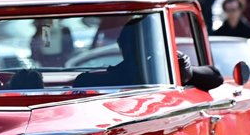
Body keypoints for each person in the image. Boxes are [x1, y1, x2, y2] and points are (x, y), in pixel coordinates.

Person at [74, 19, 222, 91]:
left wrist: (186, 71)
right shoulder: (166, 74)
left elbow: (215, 77)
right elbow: (215, 77)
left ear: (120, 44)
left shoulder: (91, 80)